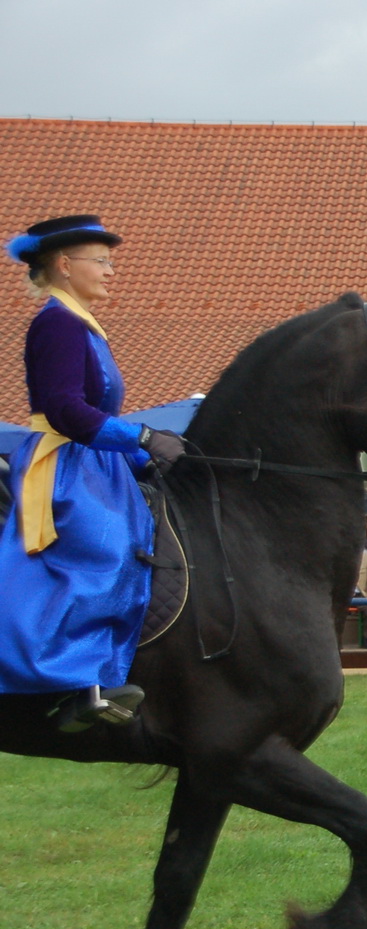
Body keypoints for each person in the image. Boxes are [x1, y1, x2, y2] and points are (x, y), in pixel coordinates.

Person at [0, 215, 186, 729]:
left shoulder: (81, 322)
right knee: (103, 547)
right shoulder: (57, 322)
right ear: (64, 265)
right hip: (65, 463)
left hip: (94, 461)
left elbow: (95, 416)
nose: (111, 271)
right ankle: (74, 686)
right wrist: (142, 437)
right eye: (101, 261)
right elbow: (65, 410)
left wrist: (150, 454)